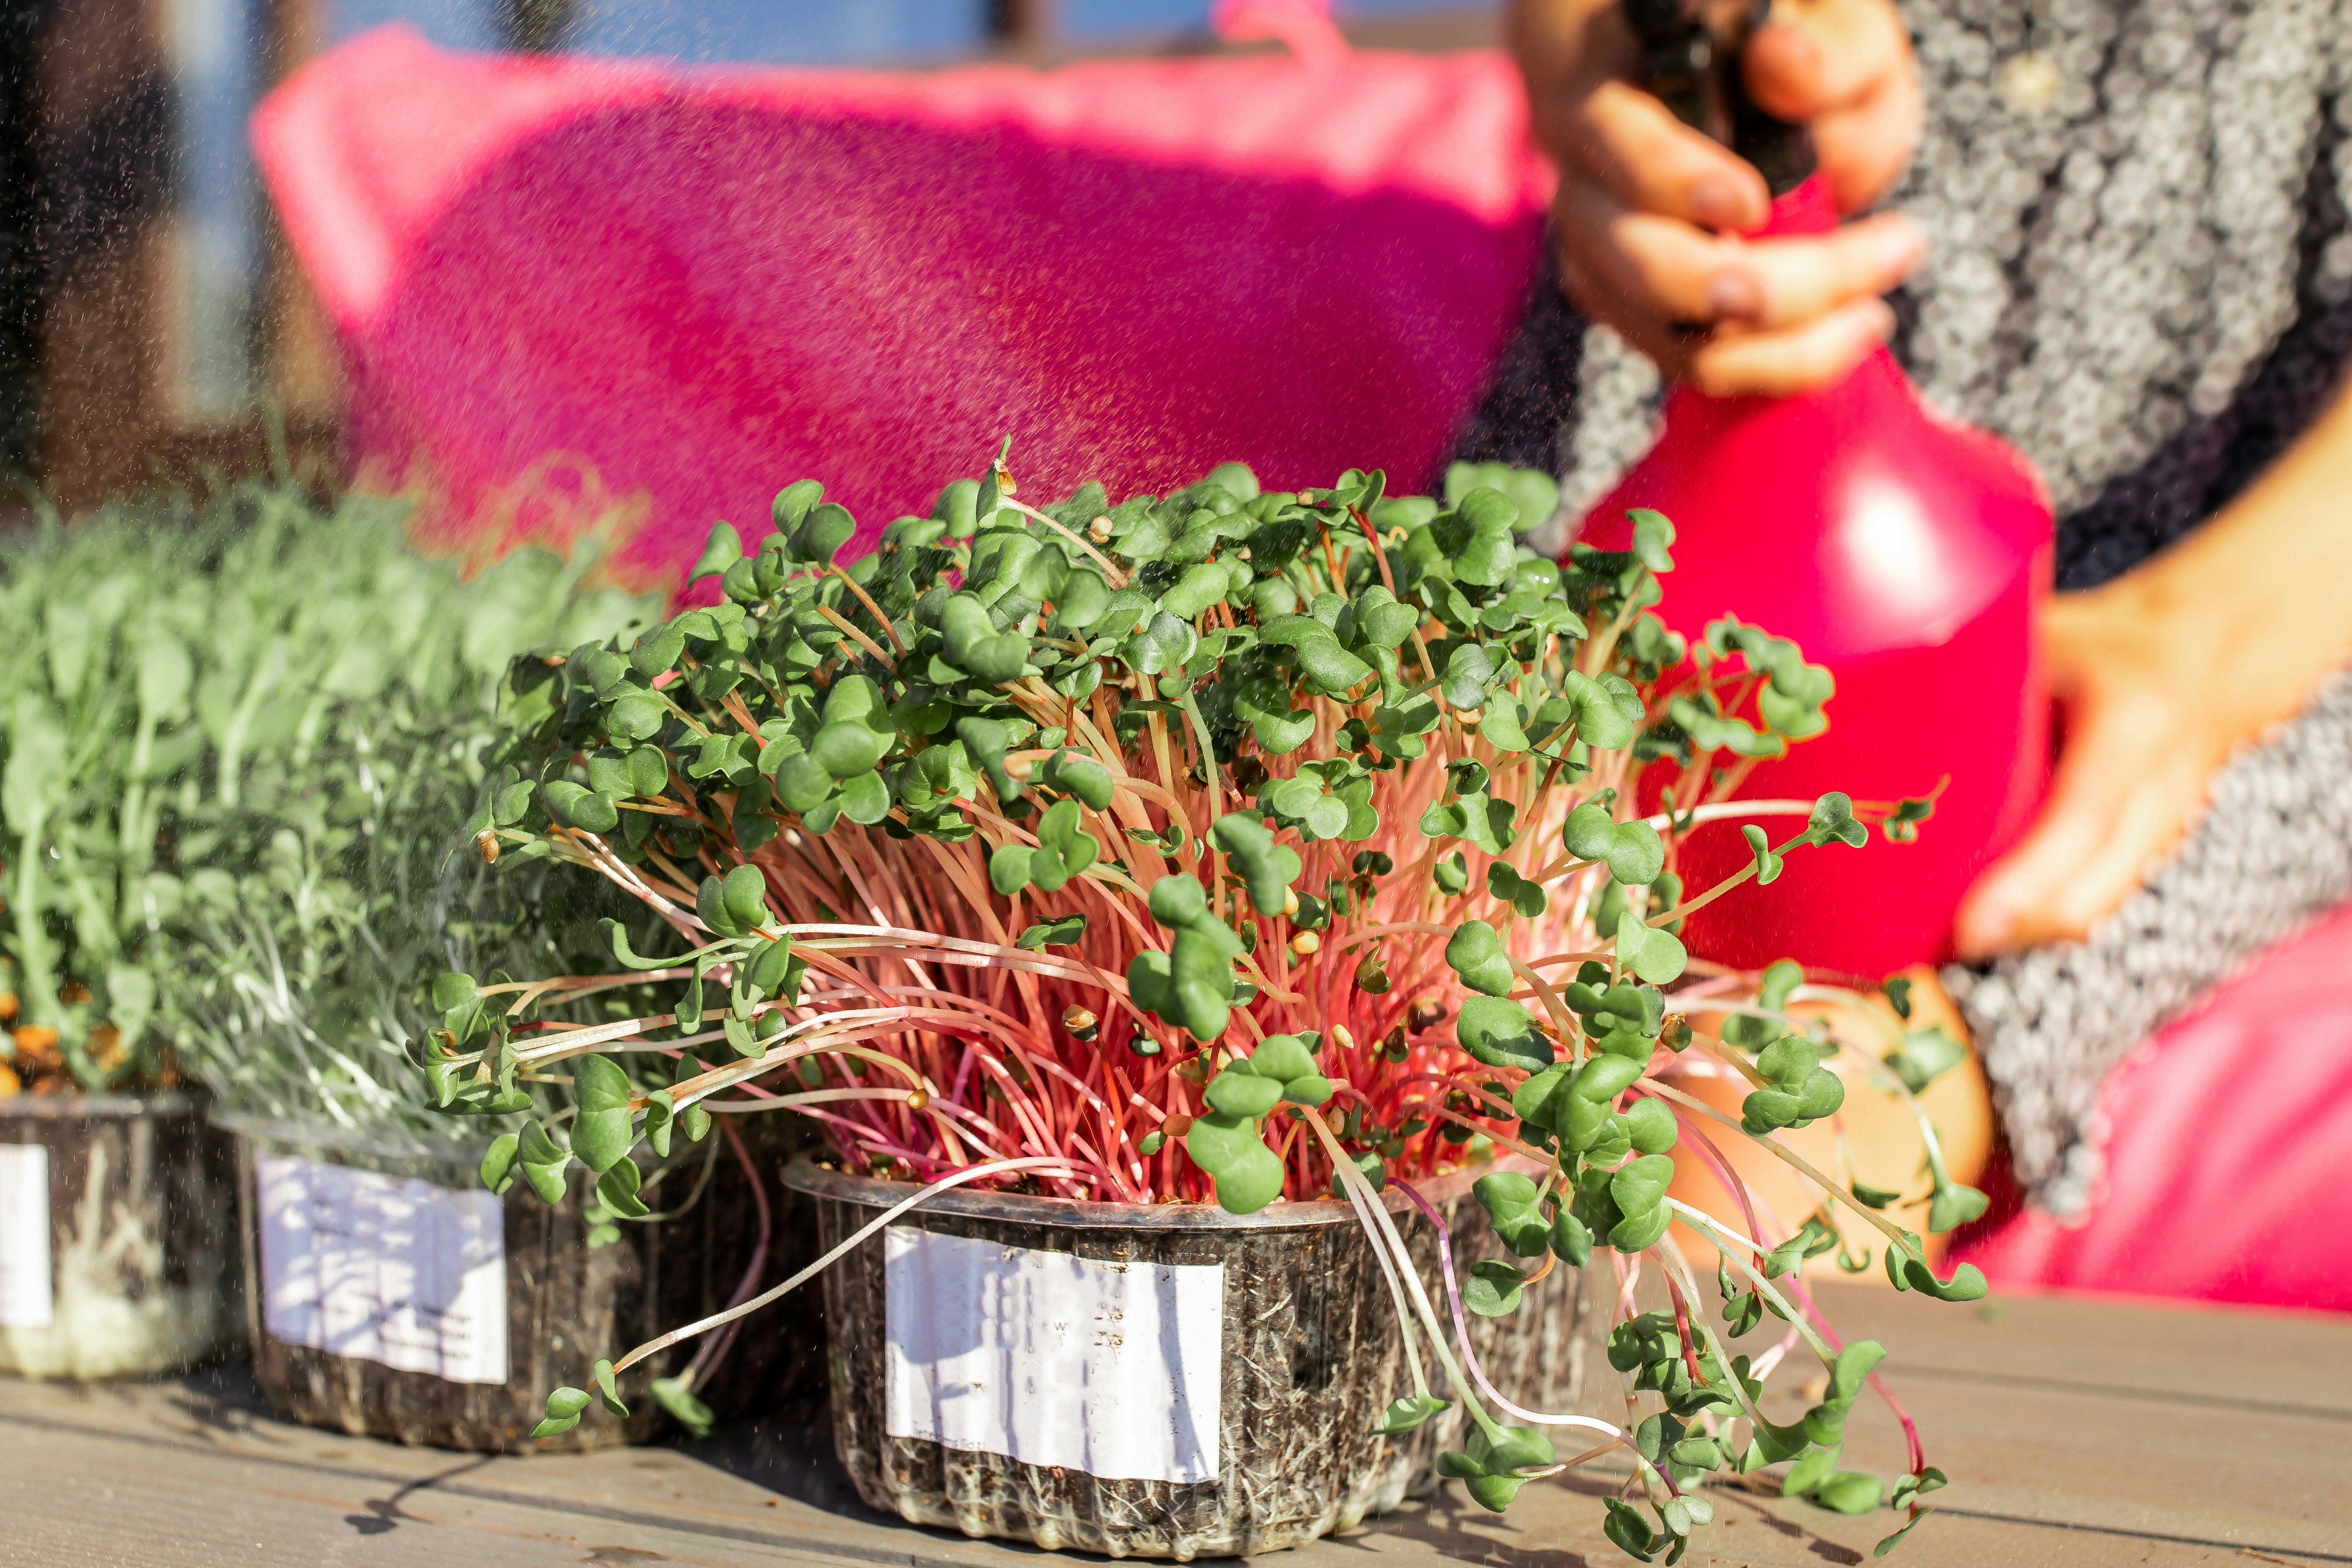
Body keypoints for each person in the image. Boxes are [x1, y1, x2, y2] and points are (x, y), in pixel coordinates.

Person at [1467, 0, 2352, 1219]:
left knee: (1766, 1124)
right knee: (1396, 945)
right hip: (1659, 430)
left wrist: (2199, 645)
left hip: (2267, 550)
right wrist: (1601, 58)